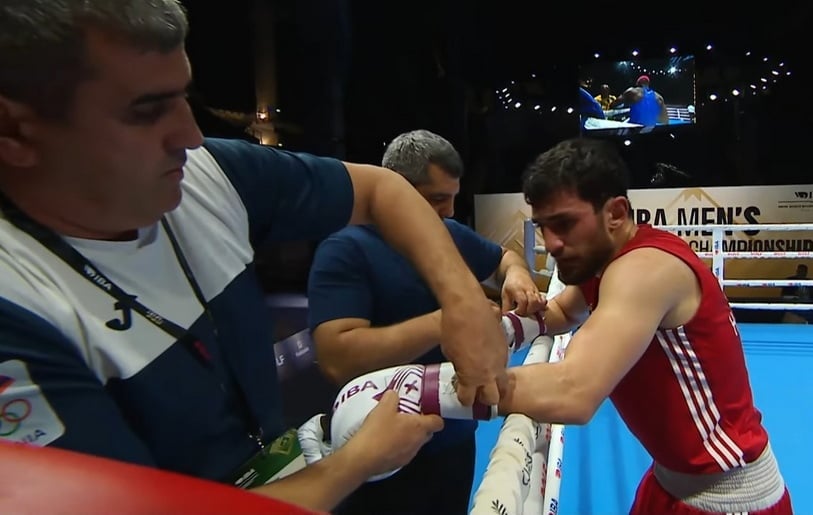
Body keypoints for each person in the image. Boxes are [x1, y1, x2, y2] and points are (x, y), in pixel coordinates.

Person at [0, 1, 509, 512]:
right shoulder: (18, 308)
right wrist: (353, 464)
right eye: (146, 111)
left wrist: (462, 301)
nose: (189, 135)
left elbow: (383, 189)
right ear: (15, 132)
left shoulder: (208, 172)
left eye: (184, 97)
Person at [496, 138, 792, 514]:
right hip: (669, 480)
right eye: (543, 227)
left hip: (726, 499)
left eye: (565, 224)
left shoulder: (643, 270)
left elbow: (573, 392)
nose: (551, 243)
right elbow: (562, 312)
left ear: (616, 213)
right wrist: (500, 330)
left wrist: (433, 387)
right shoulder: (606, 256)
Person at [307, 129, 545, 515]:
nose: (449, 211)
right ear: (395, 190)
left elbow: (503, 257)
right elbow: (336, 357)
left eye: (452, 198)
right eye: (436, 199)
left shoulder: (448, 232)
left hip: (455, 435)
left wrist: (515, 274)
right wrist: (448, 320)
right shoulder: (345, 249)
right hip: (381, 451)